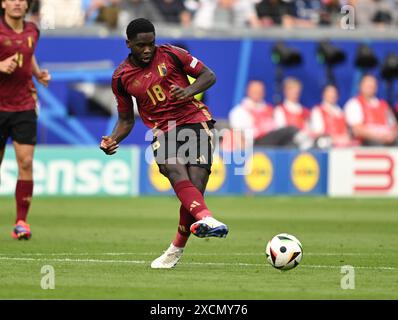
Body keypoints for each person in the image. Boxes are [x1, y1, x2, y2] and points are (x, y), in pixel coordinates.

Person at [100, 18, 228, 269]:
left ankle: (175, 250)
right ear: (128, 44)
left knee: (195, 187)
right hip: (163, 130)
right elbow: (126, 119)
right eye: (140, 45)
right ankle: (208, 219)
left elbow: (208, 75)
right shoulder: (121, 77)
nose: (147, 49)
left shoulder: (172, 55)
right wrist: (113, 139)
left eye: (151, 43)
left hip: (195, 121)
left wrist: (189, 91)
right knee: (172, 168)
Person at [0, 0, 51, 240]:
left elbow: (27, 55)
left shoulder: (33, 29)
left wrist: (37, 73)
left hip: (24, 105)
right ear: (3, 3)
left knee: (26, 163)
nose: (18, 3)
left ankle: (21, 221)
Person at [226, 80, 304, 150]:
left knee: (290, 144)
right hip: (255, 144)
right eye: (255, 90)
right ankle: (304, 140)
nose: (258, 93)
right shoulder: (239, 111)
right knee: (290, 130)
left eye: (260, 90)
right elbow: (238, 135)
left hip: (272, 142)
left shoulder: (270, 110)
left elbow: (277, 128)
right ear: (248, 91)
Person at [344, 75, 398, 146]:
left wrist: (392, 135)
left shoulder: (383, 105)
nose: (370, 87)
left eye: (372, 85)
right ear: (360, 86)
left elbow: (394, 126)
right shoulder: (354, 103)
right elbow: (357, 130)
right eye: (367, 85)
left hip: (388, 140)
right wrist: (381, 137)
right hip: (367, 142)